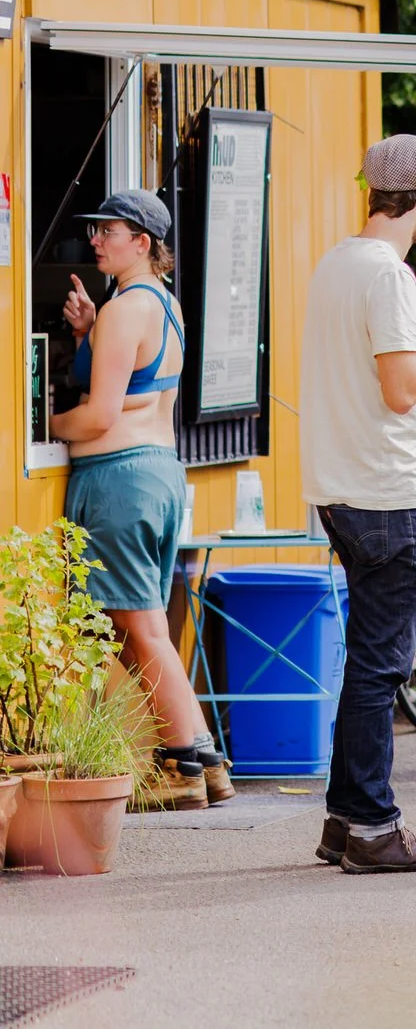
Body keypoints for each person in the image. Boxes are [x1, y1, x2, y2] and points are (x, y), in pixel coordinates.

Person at [302, 135, 416, 874]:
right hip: (390, 495)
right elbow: (406, 388)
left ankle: (344, 820)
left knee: (365, 663)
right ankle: (374, 828)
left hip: (340, 491)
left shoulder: (341, 263)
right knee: (381, 668)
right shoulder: (388, 278)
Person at [50, 189, 230, 812]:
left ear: (144, 244)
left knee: (143, 629)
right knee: (137, 629)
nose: (95, 239)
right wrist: (85, 333)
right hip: (155, 474)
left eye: (109, 230)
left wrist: (49, 423)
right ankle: (203, 762)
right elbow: (133, 393)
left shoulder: (127, 308)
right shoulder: (160, 305)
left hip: (121, 478)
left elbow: (99, 415)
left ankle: (185, 764)